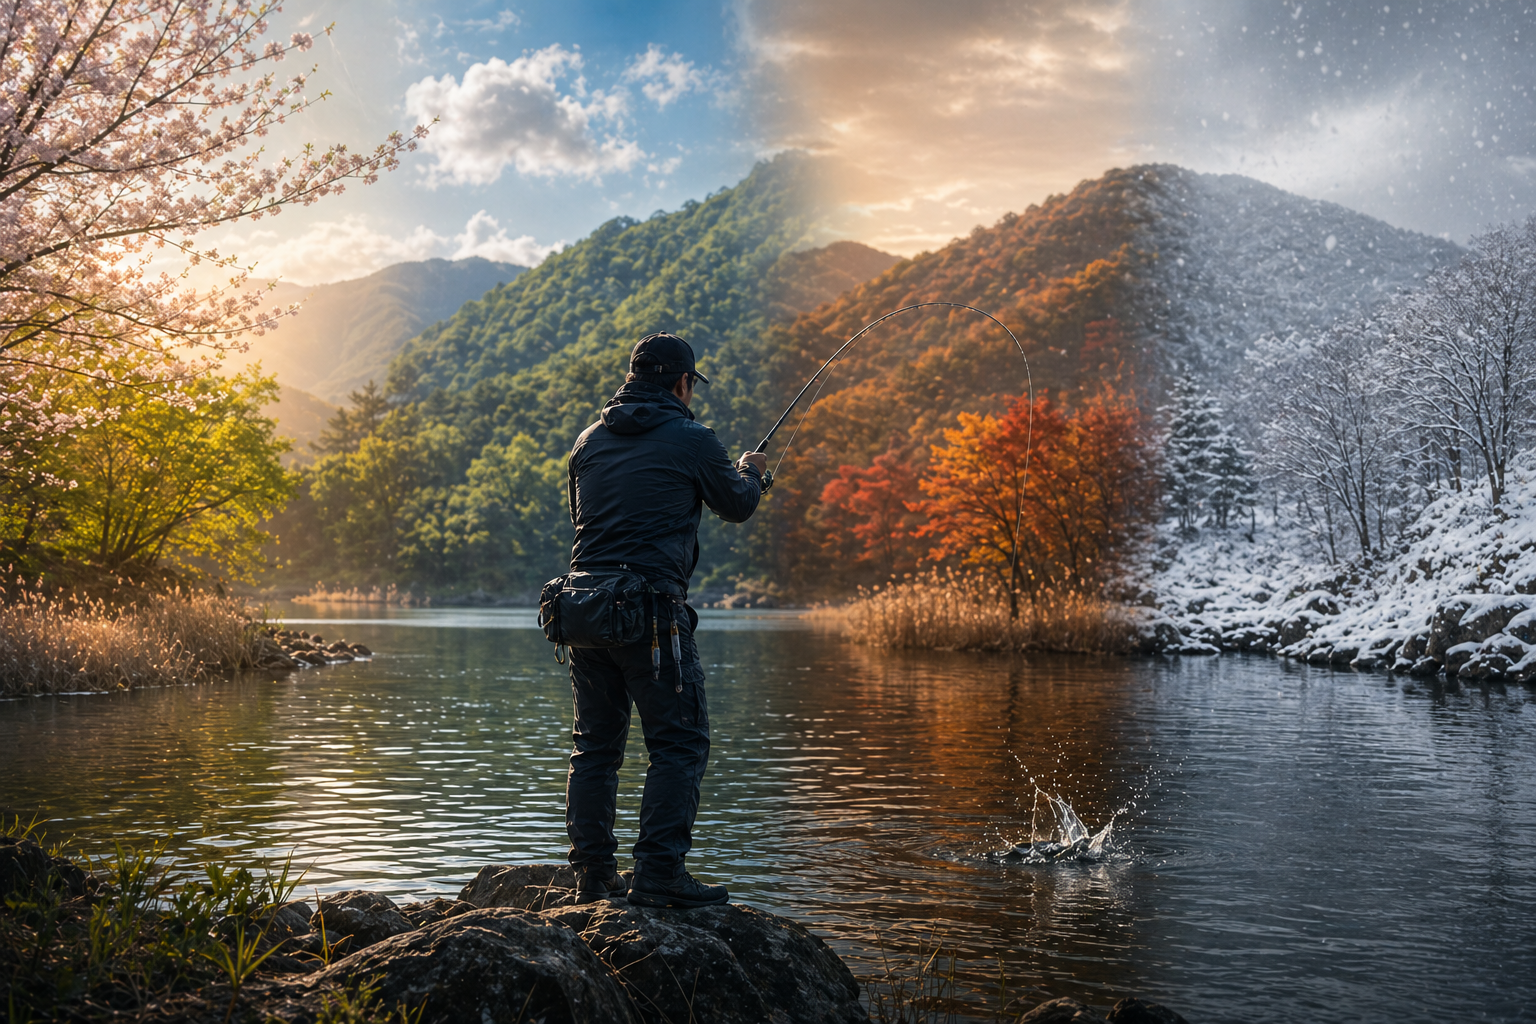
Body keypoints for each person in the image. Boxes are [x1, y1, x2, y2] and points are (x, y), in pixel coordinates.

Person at [563, 331, 767, 908]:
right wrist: (753, 473)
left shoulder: (587, 442)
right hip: (652, 612)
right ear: (682, 383)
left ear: (632, 378)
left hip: (585, 609)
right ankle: (658, 876)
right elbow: (737, 505)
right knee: (679, 744)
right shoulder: (693, 438)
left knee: (595, 745)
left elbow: (590, 524)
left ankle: (593, 876)